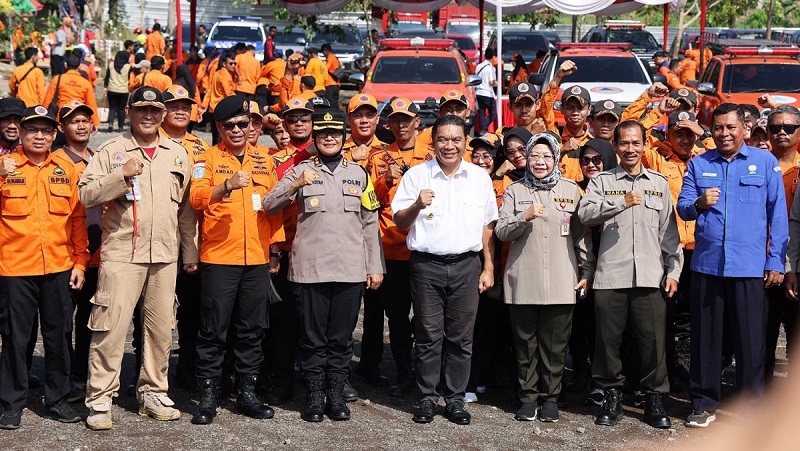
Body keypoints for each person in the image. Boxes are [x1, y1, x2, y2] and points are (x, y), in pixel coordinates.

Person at [79, 87, 199, 430]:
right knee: (110, 327)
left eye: (155, 110)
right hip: (122, 255)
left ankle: (153, 392)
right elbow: (86, 194)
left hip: (164, 255)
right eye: (141, 109)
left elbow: (187, 211)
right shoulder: (112, 151)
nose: (149, 115)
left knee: (161, 329)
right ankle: (101, 398)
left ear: (162, 114)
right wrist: (121, 176)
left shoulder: (177, 153)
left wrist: (189, 252)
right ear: (128, 111)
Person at [264, 107, 384, 422]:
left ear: (344, 138)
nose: (328, 138)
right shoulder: (299, 170)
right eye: (322, 134)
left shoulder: (359, 174)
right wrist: (295, 185)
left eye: (334, 134)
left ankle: (336, 395)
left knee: (341, 339)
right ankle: (315, 398)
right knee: (313, 338)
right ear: (315, 138)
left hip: (349, 270)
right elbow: (268, 204)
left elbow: (370, 222)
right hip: (310, 271)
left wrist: (376, 266)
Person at [677, 103, 787, 429]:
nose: (724, 134)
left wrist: (775, 261)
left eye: (730, 127)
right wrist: (699, 202)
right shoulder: (699, 164)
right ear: (710, 130)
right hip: (708, 267)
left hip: (750, 268)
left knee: (751, 343)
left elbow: (777, 218)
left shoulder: (764, 163)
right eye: (718, 128)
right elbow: (683, 209)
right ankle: (703, 403)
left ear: (745, 129)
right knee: (706, 340)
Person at [392, 115, 498, 425]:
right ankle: (426, 397)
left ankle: (454, 399)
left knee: (461, 337)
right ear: (433, 141)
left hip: (467, 264)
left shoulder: (479, 178)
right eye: (442, 139)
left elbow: (487, 226)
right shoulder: (416, 176)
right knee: (427, 335)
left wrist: (488, 266)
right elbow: (399, 221)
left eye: (455, 139)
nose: (448, 145)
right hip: (427, 265)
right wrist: (417, 205)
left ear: (465, 142)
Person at [577, 121, 683, 429]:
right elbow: (585, 214)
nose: (630, 149)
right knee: (607, 343)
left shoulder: (659, 183)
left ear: (645, 144)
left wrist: (673, 270)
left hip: (650, 275)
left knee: (653, 343)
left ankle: (653, 399)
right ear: (615, 145)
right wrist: (619, 202)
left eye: (636, 143)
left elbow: (669, 234)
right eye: (624, 143)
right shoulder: (602, 181)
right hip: (611, 274)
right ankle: (611, 396)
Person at [188, 95, 282, 424]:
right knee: (213, 329)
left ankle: (246, 392)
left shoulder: (264, 159)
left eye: (245, 124)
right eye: (230, 125)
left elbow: (272, 207)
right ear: (219, 127)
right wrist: (225, 185)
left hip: (256, 256)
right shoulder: (207, 158)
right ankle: (209, 394)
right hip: (219, 256)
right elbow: (197, 198)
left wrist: (274, 249)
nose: (238, 130)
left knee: (251, 329)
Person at [0, 105, 89, 429]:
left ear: (55, 135)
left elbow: (77, 219)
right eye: (32, 130)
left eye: (45, 131)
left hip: (58, 267)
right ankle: (11, 403)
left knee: (59, 336)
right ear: (21, 134)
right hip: (14, 269)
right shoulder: (5, 168)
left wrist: (80, 262)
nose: (39, 136)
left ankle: (57, 399)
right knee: (15, 339)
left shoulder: (66, 169)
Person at [496, 131, 594, 422]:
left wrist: (587, 269)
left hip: (562, 280)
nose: (540, 162)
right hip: (523, 280)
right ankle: (528, 397)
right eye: (535, 156)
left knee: (554, 346)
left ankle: (550, 398)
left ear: (556, 158)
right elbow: (501, 231)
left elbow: (581, 236)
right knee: (526, 345)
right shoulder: (515, 191)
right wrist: (522, 217)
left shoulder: (571, 190)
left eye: (547, 156)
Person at [358, 98, 434, 394]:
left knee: (428, 317)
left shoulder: (431, 156)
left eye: (406, 119)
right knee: (398, 317)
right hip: (391, 249)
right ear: (387, 124)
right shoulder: (377, 157)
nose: (401, 125)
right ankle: (405, 373)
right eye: (395, 119)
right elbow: (366, 201)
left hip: (425, 247)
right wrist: (381, 181)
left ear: (417, 122)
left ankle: (428, 372)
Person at [51, 101, 100, 393]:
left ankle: (81, 372)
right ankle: (61, 378)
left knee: (89, 320)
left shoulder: (100, 158)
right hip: (66, 254)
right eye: (73, 121)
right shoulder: (56, 159)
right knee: (61, 322)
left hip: (98, 252)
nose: (81, 126)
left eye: (85, 120)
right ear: (62, 128)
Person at [565, 138, 618, 398]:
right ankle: (580, 374)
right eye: (584, 160)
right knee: (580, 324)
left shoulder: (619, 189)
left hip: (611, 265)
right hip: (581, 265)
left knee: (606, 327)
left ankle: (605, 382)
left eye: (597, 159)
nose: (590, 164)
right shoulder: (575, 190)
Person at [763, 106, 800, 383]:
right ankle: (758, 393)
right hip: (762, 259)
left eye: (789, 127)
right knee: (762, 331)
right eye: (775, 128)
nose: (782, 133)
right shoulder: (757, 164)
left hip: (794, 259)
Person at [43, 56, 101, 128]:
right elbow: (91, 103)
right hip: (79, 118)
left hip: (60, 118)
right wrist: (95, 122)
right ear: (79, 66)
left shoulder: (57, 79)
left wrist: (43, 117)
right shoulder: (85, 83)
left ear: (66, 66)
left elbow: (48, 99)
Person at [204, 52, 239, 145]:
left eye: (235, 63)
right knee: (222, 135)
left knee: (215, 135)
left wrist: (204, 105)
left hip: (213, 107)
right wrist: (239, 101)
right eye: (231, 63)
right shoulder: (225, 75)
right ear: (224, 64)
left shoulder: (217, 73)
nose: (233, 66)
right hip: (222, 107)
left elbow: (210, 90)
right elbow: (228, 93)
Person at [341, 94, 382, 166]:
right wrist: (350, 157)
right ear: (348, 119)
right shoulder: (337, 151)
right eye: (358, 115)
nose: (364, 120)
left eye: (369, 115)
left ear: (377, 119)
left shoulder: (389, 152)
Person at [104, 49, 132, 132]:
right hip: (123, 90)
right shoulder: (128, 67)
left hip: (112, 89)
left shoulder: (111, 65)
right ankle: (120, 127)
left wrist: (105, 87)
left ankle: (110, 124)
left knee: (112, 108)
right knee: (121, 109)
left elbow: (107, 77)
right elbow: (130, 78)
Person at [475, 48, 497, 135]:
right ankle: (484, 128)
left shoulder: (479, 66)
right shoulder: (491, 68)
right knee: (493, 113)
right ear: (493, 57)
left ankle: (483, 129)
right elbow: (491, 82)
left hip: (478, 92)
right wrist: (499, 84)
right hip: (487, 93)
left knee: (482, 112)